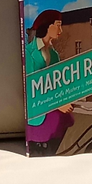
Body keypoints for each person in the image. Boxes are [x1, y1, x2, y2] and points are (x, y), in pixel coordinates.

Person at [25, 9, 74, 156]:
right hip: (38, 110)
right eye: (58, 25)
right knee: (60, 117)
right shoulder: (28, 53)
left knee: (67, 117)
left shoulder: (54, 54)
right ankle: (42, 148)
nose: (61, 29)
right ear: (47, 26)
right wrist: (58, 104)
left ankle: (50, 150)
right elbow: (32, 88)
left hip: (50, 104)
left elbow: (57, 82)